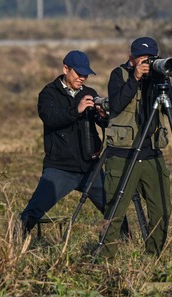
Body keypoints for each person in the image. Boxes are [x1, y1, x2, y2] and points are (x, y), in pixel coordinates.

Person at [99, 36, 172, 258]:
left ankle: (152, 255)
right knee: (115, 210)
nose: (147, 63)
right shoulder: (120, 75)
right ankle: (105, 259)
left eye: (151, 58)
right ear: (131, 59)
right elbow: (116, 104)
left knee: (162, 210)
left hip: (152, 153)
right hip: (123, 155)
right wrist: (134, 78)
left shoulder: (157, 78)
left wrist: (164, 81)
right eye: (142, 59)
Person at [19, 50, 109, 236]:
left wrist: (103, 115)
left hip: (90, 168)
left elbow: (104, 123)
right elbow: (51, 119)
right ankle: (12, 240)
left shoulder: (90, 93)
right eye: (78, 73)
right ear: (65, 69)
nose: (82, 78)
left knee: (114, 208)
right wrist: (77, 109)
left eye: (86, 74)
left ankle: (125, 243)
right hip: (60, 168)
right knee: (34, 210)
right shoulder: (49, 93)